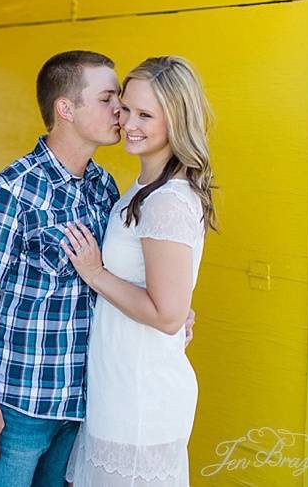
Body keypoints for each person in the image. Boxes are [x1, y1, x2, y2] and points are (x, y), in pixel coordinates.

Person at [0, 50, 196, 486]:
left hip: (85, 402)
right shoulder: (9, 193)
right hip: (19, 407)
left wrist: (172, 306)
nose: (119, 111)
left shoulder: (105, 187)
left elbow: (129, 272)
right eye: (107, 99)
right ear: (66, 108)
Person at [63, 56, 216, 486]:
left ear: (177, 120)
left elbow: (167, 316)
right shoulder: (143, 187)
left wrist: (95, 274)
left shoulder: (166, 200)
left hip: (140, 396)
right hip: (121, 384)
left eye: (146, 114)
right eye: (126, 108)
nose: (128, 121)